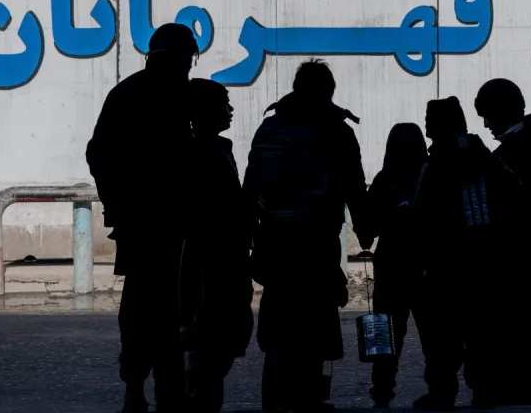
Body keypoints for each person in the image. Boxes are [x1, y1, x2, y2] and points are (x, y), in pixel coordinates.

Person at [86, 23, 199, 413]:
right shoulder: (180, 96)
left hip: (138, 223)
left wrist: (116, 203)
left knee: (140, 307)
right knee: (173, 310)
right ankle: (169, 389)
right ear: (182, 58)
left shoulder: (127, 93)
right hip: (171, 224)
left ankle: (137, 386)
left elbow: (98, 153)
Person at [244, 59, 367, 412]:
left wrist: (248, 235)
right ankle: (308, 397)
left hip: (274, 243)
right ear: (329, 92)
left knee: (278, 320)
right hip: (317, 245)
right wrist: (365, 229)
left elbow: (251, 185)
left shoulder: (270, 127)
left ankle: (274, 396)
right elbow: (354, 186)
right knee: (315, 320)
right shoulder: (337, 131)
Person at [412, 96, 519, 411]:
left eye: (431, 121)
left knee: (443, 333)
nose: (427, 127)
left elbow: (426, 212)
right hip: (483, 258)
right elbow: (511, 191)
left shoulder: (441, 160)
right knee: (479, 331)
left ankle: (444, 391)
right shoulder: (480, 155)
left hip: (449, 260)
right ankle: (484, 390)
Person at [474, 79, 531, 406]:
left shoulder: (517, 154)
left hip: (516, 266)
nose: (486, 125)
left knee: (515, 343)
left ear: (502, 110)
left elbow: (515, 202)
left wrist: (485, 162)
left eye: (487, 115)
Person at [178, 78, 255, 413]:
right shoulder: (198, 153)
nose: (230, 109)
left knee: (220, 337)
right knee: (211, 336)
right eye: (224, 102)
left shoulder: (217, 149)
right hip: (212, 260)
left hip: (227, 256)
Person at [355, 123, 429, 408]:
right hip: (426, 266)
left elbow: (368, 229)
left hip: (391, 267)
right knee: (433, 334)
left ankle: (382, 389)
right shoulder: (431, 174)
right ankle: (441, 387)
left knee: (387, 332)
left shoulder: (385, 179)